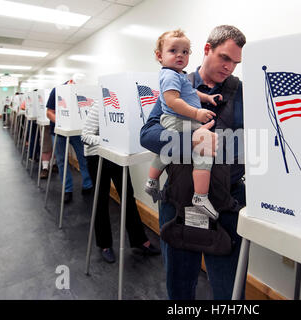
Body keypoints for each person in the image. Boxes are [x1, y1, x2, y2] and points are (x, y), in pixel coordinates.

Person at [140, 25, 246, 300]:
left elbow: (254, 141)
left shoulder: (241, 92)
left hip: (225, 201)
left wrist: (222, 143)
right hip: (179, 198)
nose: (229, 67)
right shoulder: (176, 82)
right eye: (225, 58)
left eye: (235, 62)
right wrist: (192, 142)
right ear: (207, 49)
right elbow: (148, 135)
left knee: (228, 289)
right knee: (179, 285)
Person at [145, 29, 222, 220]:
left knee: (167, 151)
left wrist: (207, 97)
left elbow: (192, 93)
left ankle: (151, 181)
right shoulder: (170, 76)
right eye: (173, 50)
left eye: (185, 51)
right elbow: (172, 101)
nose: (180, 55)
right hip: (178, 119)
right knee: (204, 148)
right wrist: (196, 113)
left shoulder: (179, 76)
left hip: (177, 121)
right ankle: (201, 196)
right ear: (159, 56)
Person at [82, 99, 160, 263]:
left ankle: (140, 241)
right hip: (97, 157)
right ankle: (104, 244)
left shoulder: (125, 107)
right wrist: (108, 141)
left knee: (128, 198)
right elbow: (85, 136)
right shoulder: (99, 105)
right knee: (101, 201)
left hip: (117, 156)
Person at [46, 80, 93, 203]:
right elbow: (49, 112)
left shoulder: (80, 91)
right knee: (62, 161)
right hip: (59, 132)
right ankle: (67, 189)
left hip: (77, 132)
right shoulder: (56, 91)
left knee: (83, 158)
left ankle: (88, 185)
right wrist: (62, 122)